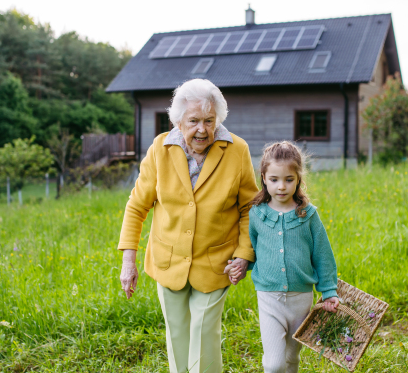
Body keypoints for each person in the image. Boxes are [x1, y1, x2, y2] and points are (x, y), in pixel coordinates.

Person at [118, 78, 258, 373]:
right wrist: (128, 260)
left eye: (209, 120)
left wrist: (244, 254)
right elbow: (137, 205)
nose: (202, 130)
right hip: (167, 259)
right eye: (194, 120)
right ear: (178, 121)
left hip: (215, 261)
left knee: (205, 333)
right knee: (178, 334)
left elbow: (249, 208)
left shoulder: (237, 150)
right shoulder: (160, 149)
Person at [226, 141, 339, 373]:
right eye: (274, 179)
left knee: (291, 358)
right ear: (264, 178)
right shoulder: (256, 214)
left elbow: (323, 255)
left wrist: (328, 292)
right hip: (269, 297)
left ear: (298, 179)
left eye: (289, 179)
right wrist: (241, 264)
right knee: (274, 363)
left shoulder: (308, 215)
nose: (281, 187)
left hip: (301, 299)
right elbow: (254, 249)